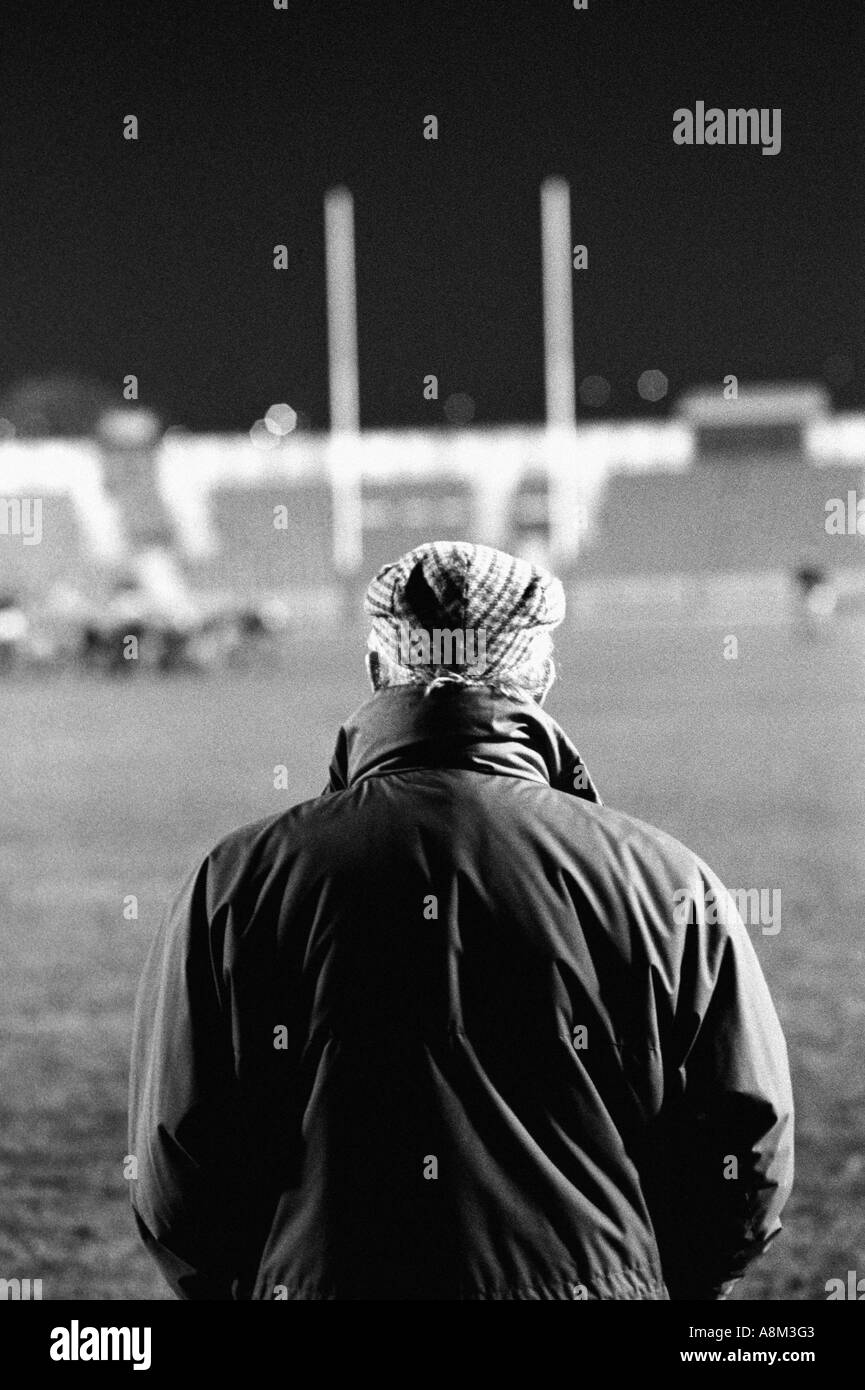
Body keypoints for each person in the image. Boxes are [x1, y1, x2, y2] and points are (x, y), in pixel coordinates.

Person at [129, 540, 794, 1301]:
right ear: (539, 677)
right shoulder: (666, 879)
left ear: (378, 672)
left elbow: (180, 1162)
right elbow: (744, 1143)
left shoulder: (238, 879)